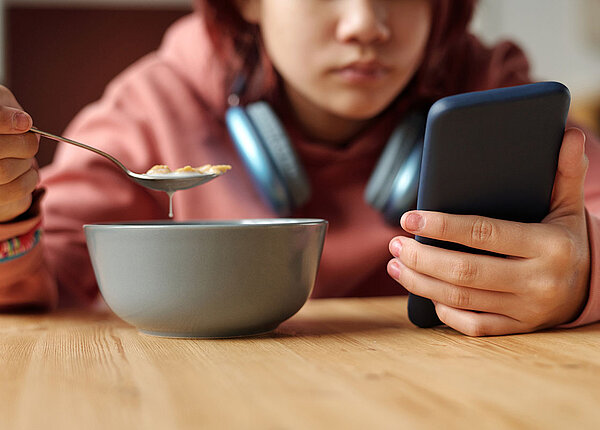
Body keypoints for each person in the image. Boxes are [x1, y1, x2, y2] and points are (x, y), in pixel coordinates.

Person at [0, 0, 599, 336]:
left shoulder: (490, 90)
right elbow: (43, 281)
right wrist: (8, 211)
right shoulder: (153, 105)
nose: (366, 24)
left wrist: (581, 274)